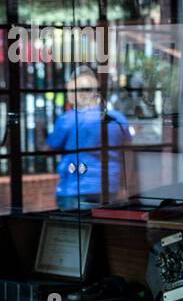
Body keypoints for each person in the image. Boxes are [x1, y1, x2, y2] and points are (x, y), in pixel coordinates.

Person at [45, 65, 131, 209]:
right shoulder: (117, 119)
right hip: (109, 187)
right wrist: (125, 186)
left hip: (73, 188)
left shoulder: (68, 119)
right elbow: (128, 155)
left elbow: (48, 149)